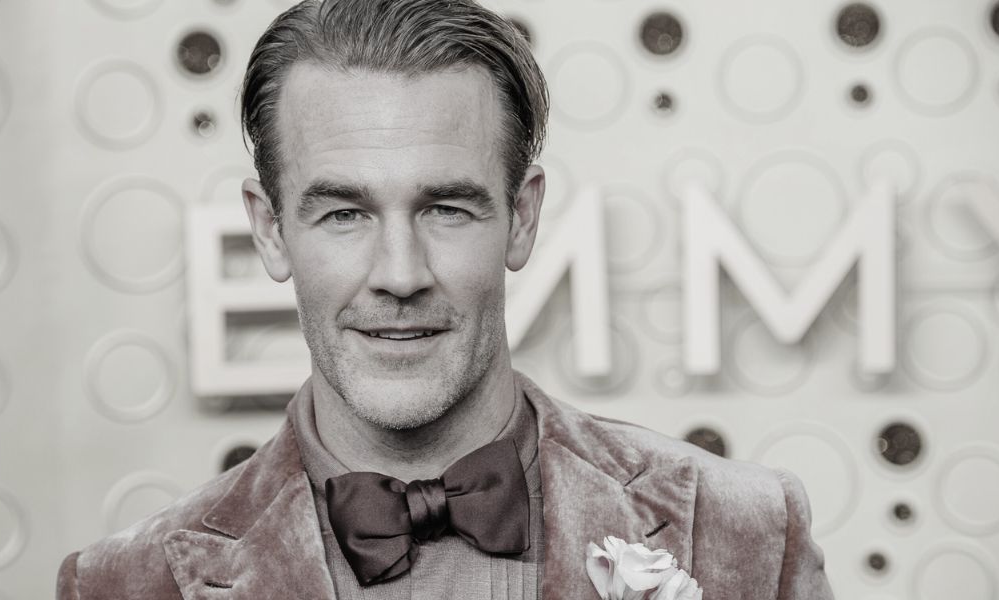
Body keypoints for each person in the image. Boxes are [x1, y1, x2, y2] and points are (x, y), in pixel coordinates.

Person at [56, 0, 834, 598]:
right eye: (345, 213)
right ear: (270, 230)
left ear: (521, 219)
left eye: (446, 209)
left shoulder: (750, 535)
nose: (400, 274)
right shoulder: (122, 586)